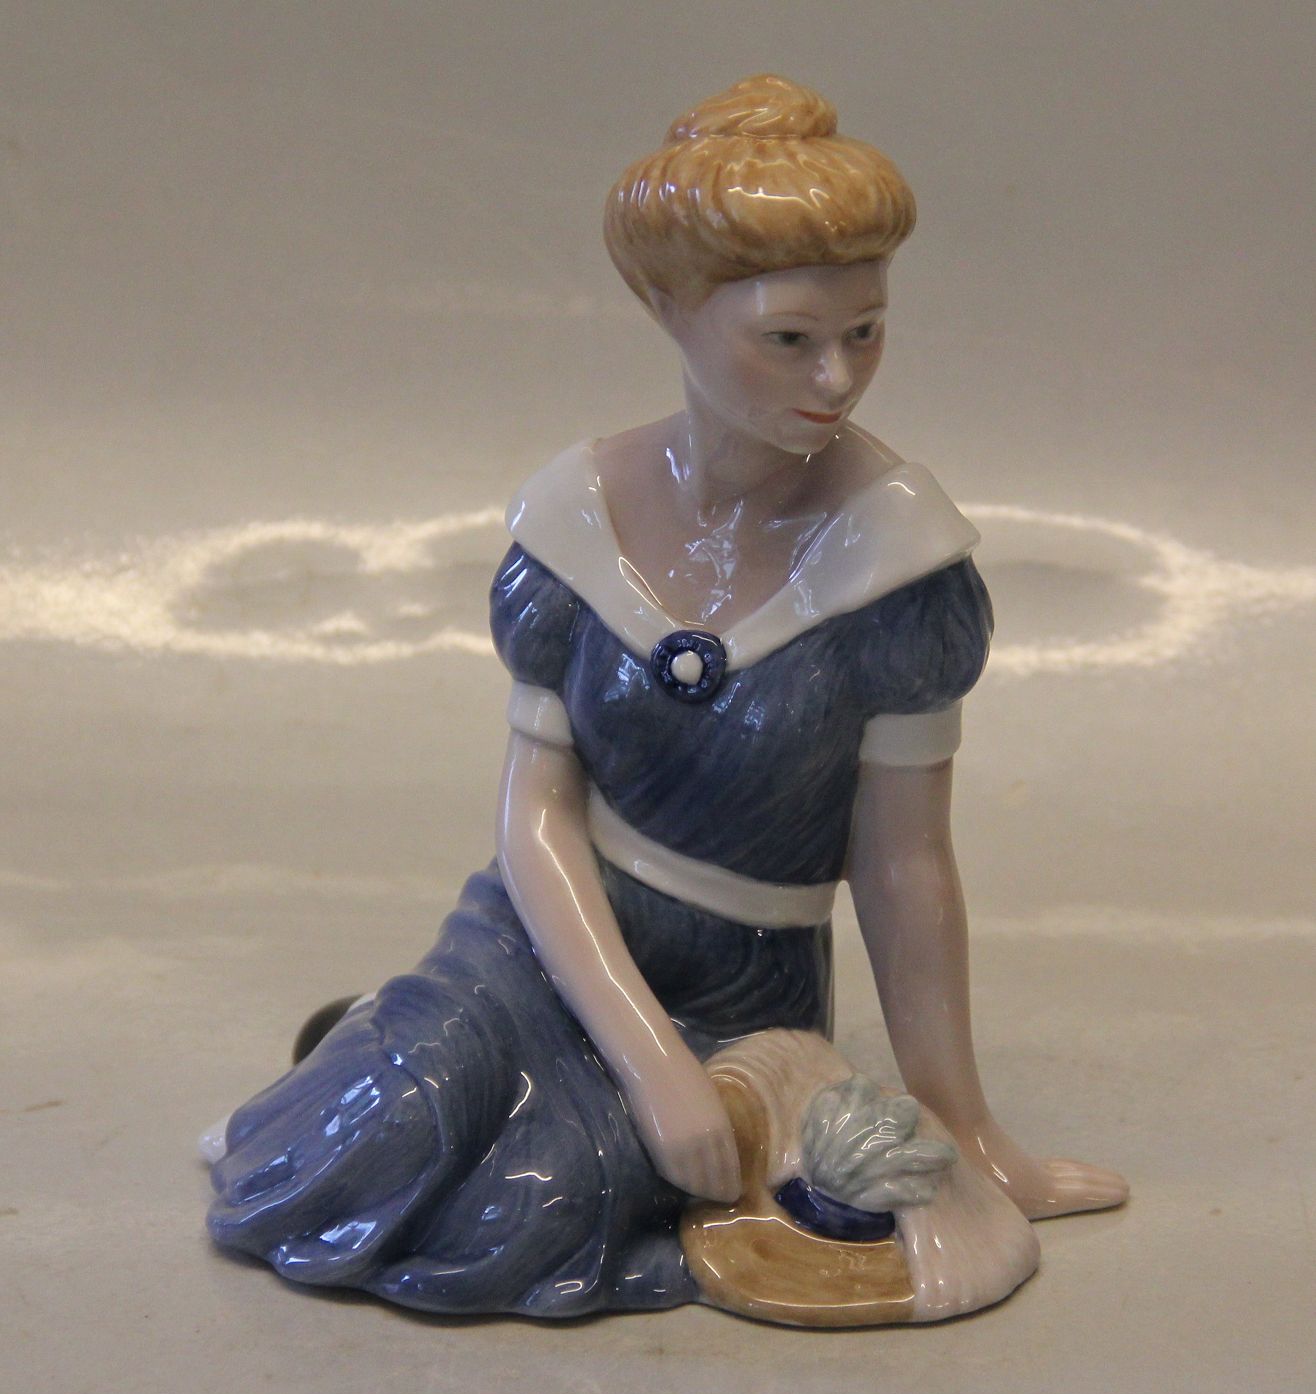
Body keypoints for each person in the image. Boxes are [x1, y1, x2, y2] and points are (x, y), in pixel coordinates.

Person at [206, 74, 1126, 1319]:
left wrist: (962, 1127)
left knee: (545, 1200)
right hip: (543, 939)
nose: (837, 377)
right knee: (387, 1124)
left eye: (865, 331)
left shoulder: (896, 566)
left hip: (739, 992)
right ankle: (391, 1040)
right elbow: (537, 817)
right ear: (667, 306)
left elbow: (903, 869)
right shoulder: (575, 521)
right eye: (788, 339)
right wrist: (643, 1059)